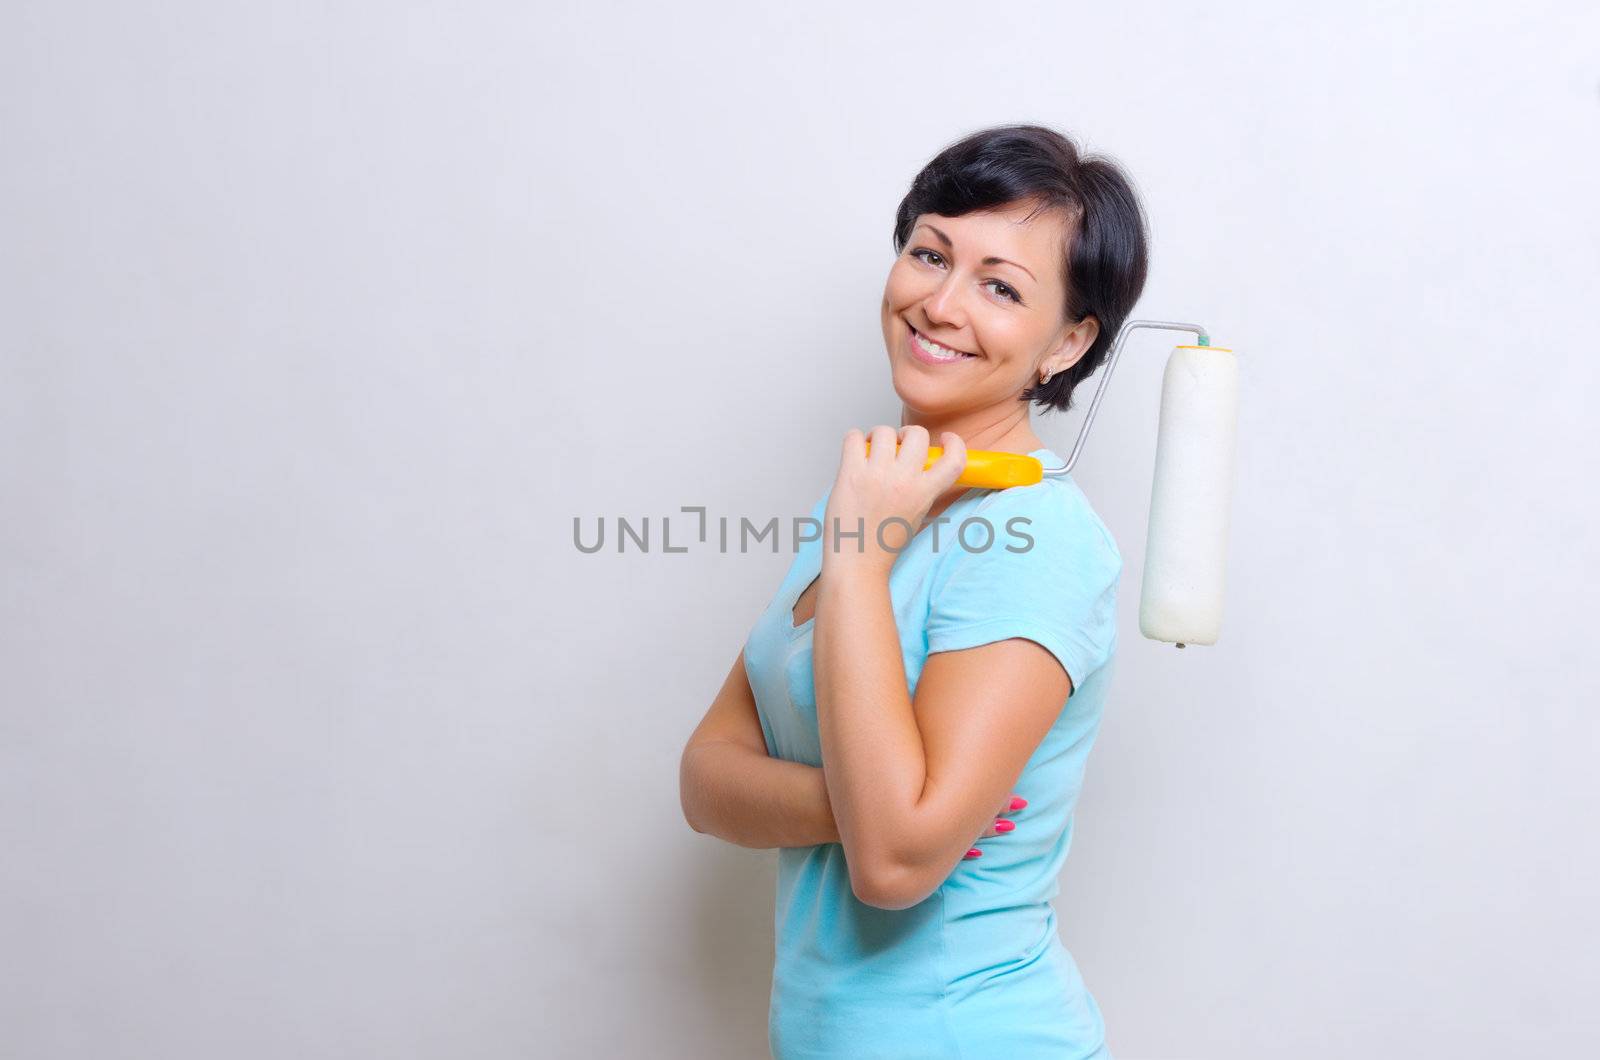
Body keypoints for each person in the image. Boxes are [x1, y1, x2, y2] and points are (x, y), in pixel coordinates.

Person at [680, 123, 1148, 1059]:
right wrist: (878, 802)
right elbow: (705, 780)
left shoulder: (1036, 538)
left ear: (1068, 342)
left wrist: (857, 558)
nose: (940, 303)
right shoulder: (872, 494)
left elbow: (893, 866)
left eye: (1000, 286)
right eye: (928, 253)